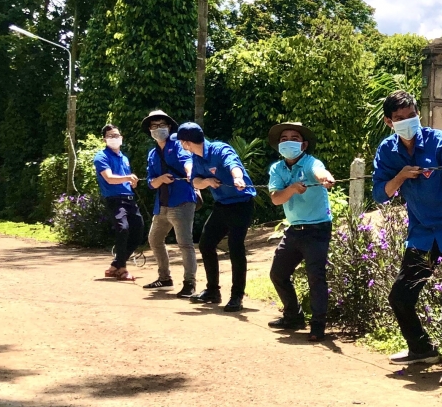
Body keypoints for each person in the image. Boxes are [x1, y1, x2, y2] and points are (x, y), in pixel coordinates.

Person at [371, 90, 442, 387]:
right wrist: (400, 177)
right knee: (401, 296)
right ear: (388, 122)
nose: (407, 122)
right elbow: (379, 194)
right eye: (399, 119)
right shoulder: (387, 151)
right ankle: (421, 348)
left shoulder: (439, 139)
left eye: (411, 116)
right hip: (423, 232)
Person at [266, 121, 336, 342]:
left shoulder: (311, 162)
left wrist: (325, 178)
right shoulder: (276, 169)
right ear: (278, 145)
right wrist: (292, 188)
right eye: (284, 138)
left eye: (294, 139)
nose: (288, 142)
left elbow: (319, 171)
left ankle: (318, 325)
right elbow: (276, 199)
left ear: (304, 145)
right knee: (278, 273)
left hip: (318, 229)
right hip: (294, 230)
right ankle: (293, 316)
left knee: (316, 277)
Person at [176, 122, 256, 313]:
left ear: (187, 142)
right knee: (206, 244)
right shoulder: (196, 157)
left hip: (241, 203)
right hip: (222, 205)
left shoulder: (220, 149)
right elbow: (194, 180)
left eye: (181, 142)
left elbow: (233, 164)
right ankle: (213, 291)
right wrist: (206, 181)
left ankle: (237, 296)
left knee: (236, 248)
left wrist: (238, 178)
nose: (181, 146)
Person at [141, 109, 200, 298]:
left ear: (169, 126)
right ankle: (164, 278)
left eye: (162, 125)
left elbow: (187, 162)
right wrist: (160, 180)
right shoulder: (152, 154)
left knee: (185, 243)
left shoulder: (178, 144)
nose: (159, 129)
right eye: (154, 126)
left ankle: (189, 283)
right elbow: (151, 182)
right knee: (154, 239)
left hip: (182, 200)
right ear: (150, 130)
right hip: (163, 204)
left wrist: (191, 175)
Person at [93, 123, 143, 283]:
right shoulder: (101, 156)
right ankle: (122, 269)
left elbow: (125, 178)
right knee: (123, 229)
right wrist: (128, 178)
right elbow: (108, 177)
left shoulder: (124, 158)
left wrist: (132, 182)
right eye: (110, 136)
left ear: (121, 138)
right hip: (114, 200)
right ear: (104, 139)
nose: (114, 138)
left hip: (129, 199)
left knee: (138, 231)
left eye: (116, 135)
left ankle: (116, 264)